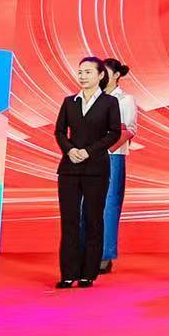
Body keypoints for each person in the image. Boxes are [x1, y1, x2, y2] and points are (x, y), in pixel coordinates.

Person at [53, 55, 122, 288]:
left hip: (96, 168)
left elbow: (114, 133)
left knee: (93, 219)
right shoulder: (69, 102)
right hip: (69, 168)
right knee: (69, 220)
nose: (82, 76)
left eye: (88, 72)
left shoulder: (109, 102)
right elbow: (60, 131)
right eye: (80, 72)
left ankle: (88, 273)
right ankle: (68, 273)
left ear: (101, 75)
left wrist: (88, 152)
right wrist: (70, 150)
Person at [98, 58, 138, 276]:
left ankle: (105, 255)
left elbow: (130, 128)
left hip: (113, 155)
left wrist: (104, 146)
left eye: (105, 72)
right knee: (88, 204)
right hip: (90, 157)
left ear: (116, 75)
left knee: (109, 205)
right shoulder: (91, 97)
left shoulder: (125, 99)